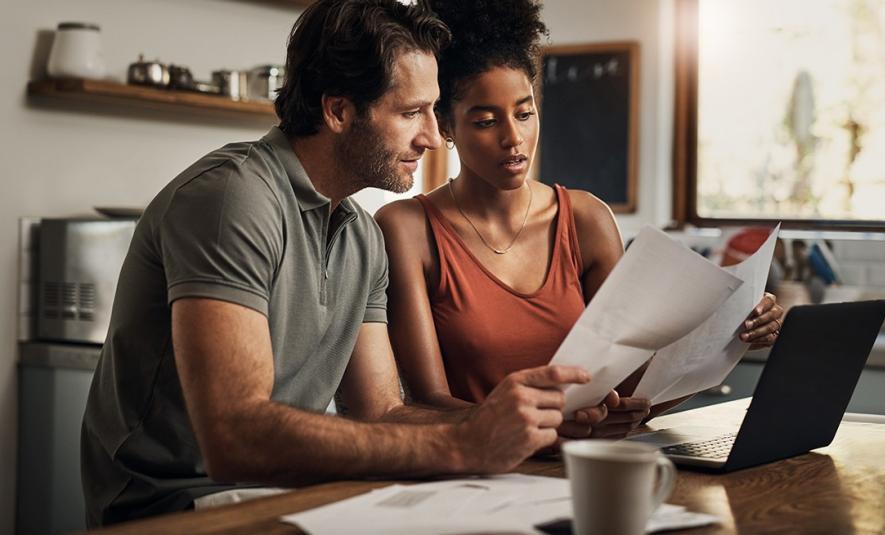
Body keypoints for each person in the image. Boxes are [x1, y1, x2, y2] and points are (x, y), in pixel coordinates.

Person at [80, 0, 600, 526]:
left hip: (284, 495)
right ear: (338, 111)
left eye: (432, 111)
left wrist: (518, 424)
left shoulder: (361, 236)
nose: (430, 135)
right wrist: (463, 444)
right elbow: (235, 436)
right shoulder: (233, 198)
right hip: (174, 507)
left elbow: (382, 413)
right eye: (410, 113)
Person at [375, 0, 784, 440]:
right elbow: (428, 403)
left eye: (525, 113)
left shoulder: (586, 219)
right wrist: (549, 429)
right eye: (487, 121)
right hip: (478, 469)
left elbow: (631, 389)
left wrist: (731, 336)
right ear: (445, 126)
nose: (514, 138)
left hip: (588, 462)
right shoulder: (407, 228)